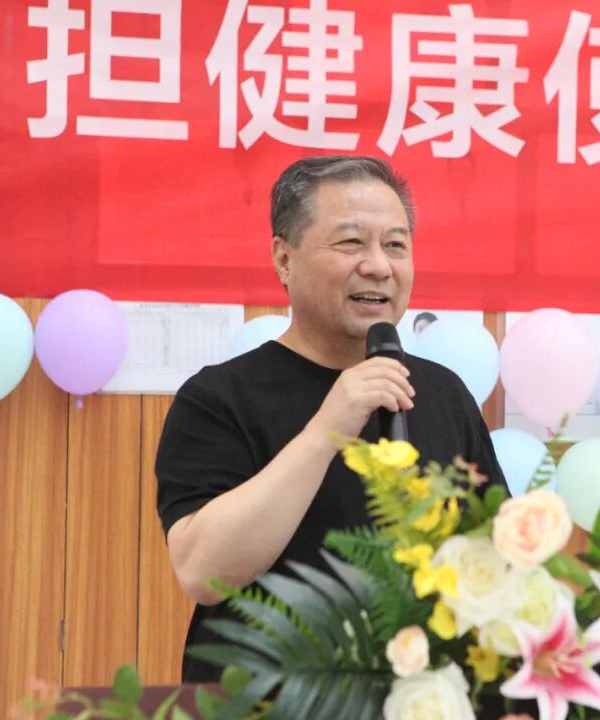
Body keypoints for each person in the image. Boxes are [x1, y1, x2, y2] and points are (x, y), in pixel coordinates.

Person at [154, 155, 507, 683]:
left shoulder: (444, 394)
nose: (379, 266)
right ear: (284, 258)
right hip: (266, 701)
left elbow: (495, 558)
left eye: (395, 245)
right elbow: (204, 572)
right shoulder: (218, 398)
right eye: (350, 242)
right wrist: (327, 429)